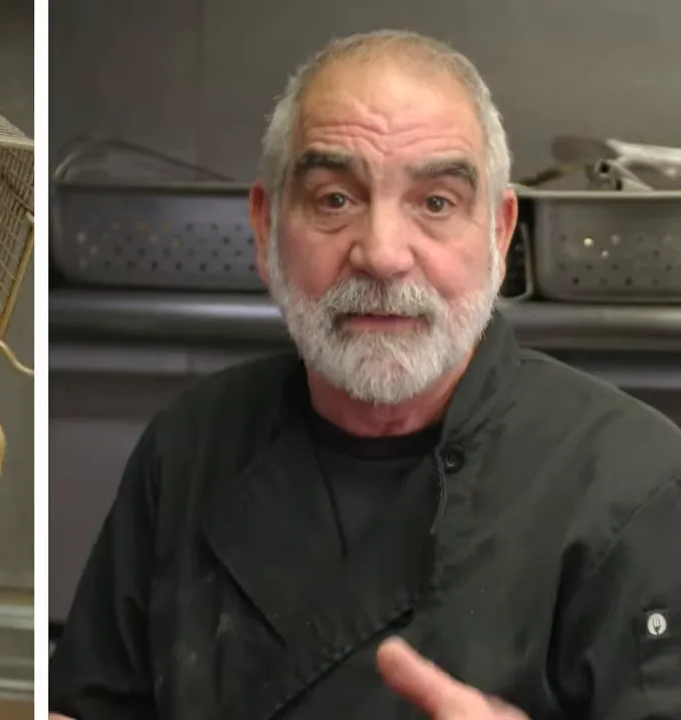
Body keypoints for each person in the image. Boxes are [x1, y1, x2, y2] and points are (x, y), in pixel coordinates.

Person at [49, 29, 681, 720]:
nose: (381, 255)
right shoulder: (189, 447)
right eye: (334, 200)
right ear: (264, 230)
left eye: (436, 203)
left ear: (500, 236)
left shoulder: (639, 486)